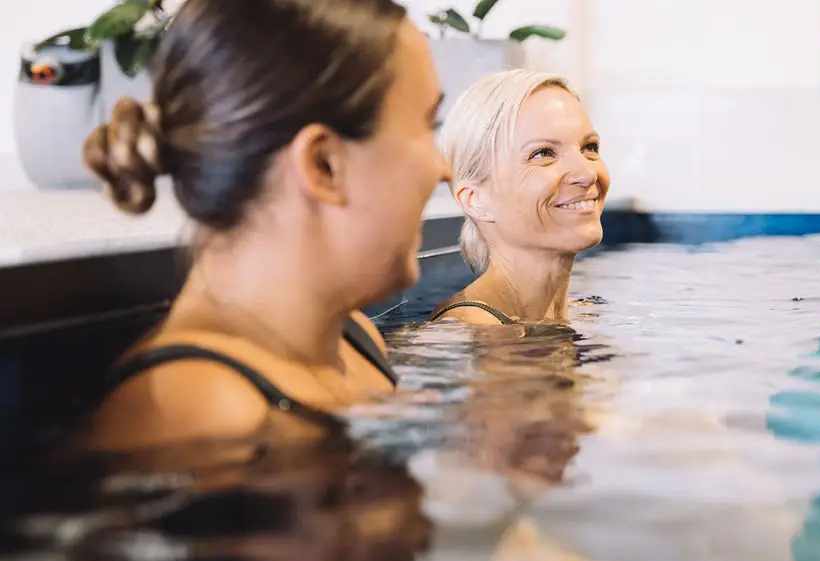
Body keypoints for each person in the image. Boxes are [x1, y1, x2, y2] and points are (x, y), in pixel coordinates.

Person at [79, 0, 450, 452]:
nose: (443, 168)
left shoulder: (355, 341)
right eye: (428, 125)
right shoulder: (197, 413)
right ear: (324, 164)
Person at [427, 69, 611, 325]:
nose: (587, 173)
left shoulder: (581, 312)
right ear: (475, 200)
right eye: (543, 153)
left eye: (589, 148)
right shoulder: (474, 331)